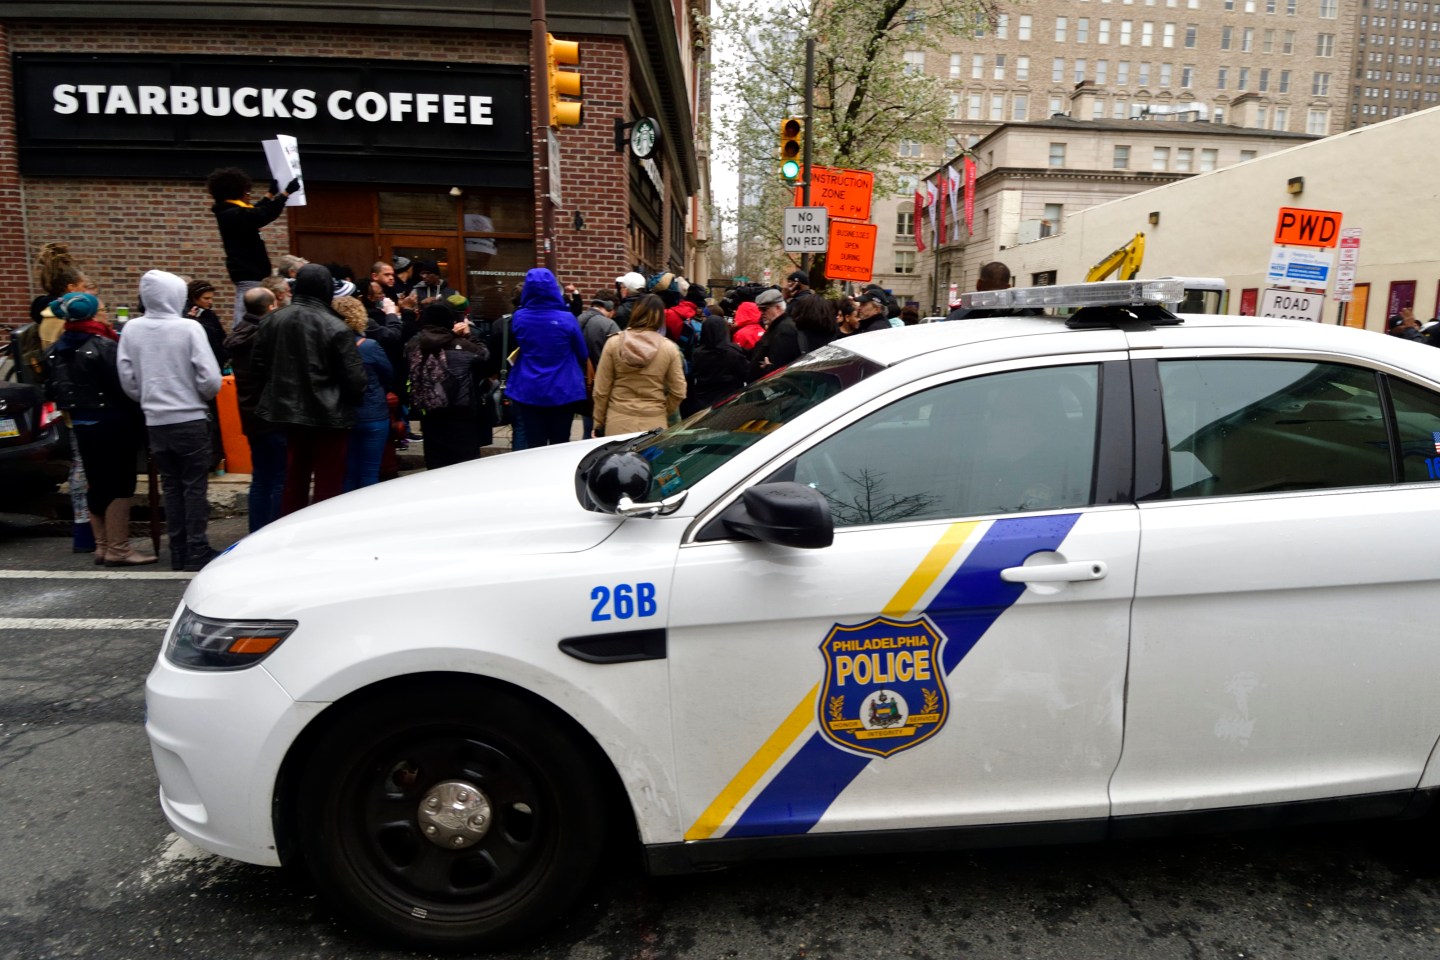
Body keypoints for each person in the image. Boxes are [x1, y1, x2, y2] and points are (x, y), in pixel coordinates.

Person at [117, 269, 224, 570]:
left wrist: (148, 397)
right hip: (189, 417)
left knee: (172, 487)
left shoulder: (132, 329)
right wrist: (197, 395)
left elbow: (127, 377)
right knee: (194, 487)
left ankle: (178, 550)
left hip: (155, 419)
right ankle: (197, 548)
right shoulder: (189, 328)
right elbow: (210, 379)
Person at [42, 291, 156, 566]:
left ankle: (102, 546)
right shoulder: (103, 345)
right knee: (120, 482)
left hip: (81, 422)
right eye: (103, 310)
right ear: (92, 315)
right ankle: (119, 548)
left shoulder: (57, 348)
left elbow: (52, 387)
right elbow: (124, 386)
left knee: (96, 481)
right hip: (112, 421)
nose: (106, 314)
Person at [251, 263, 368, 515]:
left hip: (287, 412)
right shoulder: (336, 327)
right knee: (328, 483)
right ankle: (322, 529)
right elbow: (354, 378)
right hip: (329, 415)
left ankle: (290, 528)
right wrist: (352, 402)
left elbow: (258, 367)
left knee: (294, 478)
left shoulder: (272, 321)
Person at [224, 286, 286, 531]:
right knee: (280, 478)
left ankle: (256, 529)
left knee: (260, 477)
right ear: (271, 307)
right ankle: (275, 531)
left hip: (250, 415)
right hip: (274, 415)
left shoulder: (239, 334)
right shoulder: (267, 336)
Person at [506, 268, 589, 447]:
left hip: (529, 388)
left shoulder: (519, 317)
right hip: (563, 389)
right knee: (560, 443)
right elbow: (582, 353)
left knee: (535, 444)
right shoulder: (567, 318)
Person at [206, 167, 299, 323]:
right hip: (249, 274)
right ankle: (241, 335)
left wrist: (270, 195)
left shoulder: (231, 211)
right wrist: (285, 194)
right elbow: (261, 215)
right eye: (247, 192)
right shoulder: (232, 214)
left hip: (252, 273)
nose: (248, 196)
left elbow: (255, 210)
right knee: (247, 315)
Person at [406, 302, 491, 468]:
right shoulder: (462, 345)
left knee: (436, 463)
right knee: (464, 465)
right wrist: (468, 335)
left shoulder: (413, 345)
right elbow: (484, 355)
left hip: (430, 411)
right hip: (461, 412)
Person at [592, 294, 686, 436]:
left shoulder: (614, 343)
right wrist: (662, 411)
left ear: (635, 312)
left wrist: (598, 423)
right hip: (654, 422)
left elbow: (601, 390)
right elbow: (679, 391)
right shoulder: (669, 349)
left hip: (618, 419)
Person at [333, 296, 395, 490]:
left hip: (342, 412)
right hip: (373, 411)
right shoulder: (369, 346)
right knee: (370, 470)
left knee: (348, 471)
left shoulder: (328, 346)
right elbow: (388, 374)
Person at [680, 315, 749, 417]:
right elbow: (746, 373)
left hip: (704, 403)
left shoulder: (697, 354)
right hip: (730, 401)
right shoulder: (732, 352)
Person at [576, 296, 620, 438]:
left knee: (587, 429)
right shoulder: (609, 325)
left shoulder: (576, 320)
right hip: (603, 383)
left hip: (581, 382)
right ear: (609, 308)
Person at [749, 287, 802, 380]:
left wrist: (768, 368)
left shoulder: (785, 330)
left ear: (777, 308)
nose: (761, 313)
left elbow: (781, 367)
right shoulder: (776, 326)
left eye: (764, 309)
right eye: (760, 309)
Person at [184, 280, 230, 369]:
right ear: (194, 298)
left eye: (211, 298)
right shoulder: (185, 315)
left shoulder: (210, 314)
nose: (210, 301)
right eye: (206, 298)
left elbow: (221, 336)